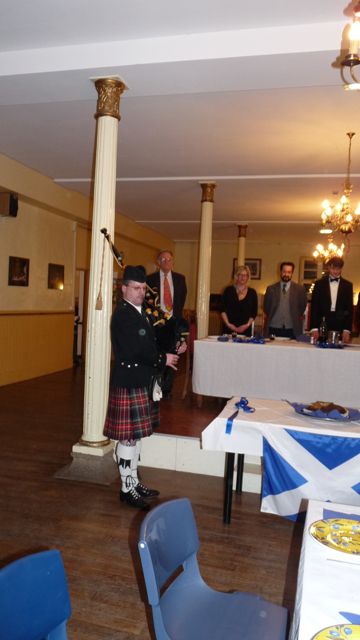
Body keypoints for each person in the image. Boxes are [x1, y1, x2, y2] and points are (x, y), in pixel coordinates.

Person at [103, 265, 186, 509]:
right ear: (124, 288)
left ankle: (134, 479)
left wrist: (175, 345)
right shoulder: (123, 315)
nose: (141, 292)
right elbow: (135, 349)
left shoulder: (142, 312)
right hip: (129, 381)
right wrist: (164, 359)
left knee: (136, 436)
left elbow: (155, 337)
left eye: (142, 288)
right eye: (136, 288)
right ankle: (126, 488)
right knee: (128, 438)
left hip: (142, 379)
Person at [147, 250, 187, 397]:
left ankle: (167, 388)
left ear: (173, 262)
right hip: (157, 323)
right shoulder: (150, 279)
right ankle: (155, 385)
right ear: (158, 262)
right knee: (158, 353)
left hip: (173, 321)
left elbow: (181, 299)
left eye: (169, 259)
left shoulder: (180, 279)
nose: (166, 262)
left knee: (173, 352)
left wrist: (174, 317)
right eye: (163, 260)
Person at [310, 256, 353, 344]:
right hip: (322, 323)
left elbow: (349, 309)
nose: (336, 271)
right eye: (333, 268)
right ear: (328, 267)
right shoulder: (319, 284)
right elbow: (314, 308)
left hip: (340, 324)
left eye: (338, 269)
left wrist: (347, 330)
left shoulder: (348, 285)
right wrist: (314, 328)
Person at [264, 261, 307, 338]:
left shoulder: (300, 290)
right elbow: (266, 307)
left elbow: (302, 307)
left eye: (289, 272)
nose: (286, 274)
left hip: (292, 328)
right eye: (284, 271)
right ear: (280, 272)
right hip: (273, 327)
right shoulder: (271, 289)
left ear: (292, 273)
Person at [220, 265, 258, 336]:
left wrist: (246, 325)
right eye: (240, 274)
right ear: (236, 276)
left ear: (248, 277)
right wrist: (229, 324)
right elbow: (222, 309)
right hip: (228, 329)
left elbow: (254, 313)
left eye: (245, 275)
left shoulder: (252, 293)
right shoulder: (228, 290)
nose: (243, 277)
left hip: (246, 330)